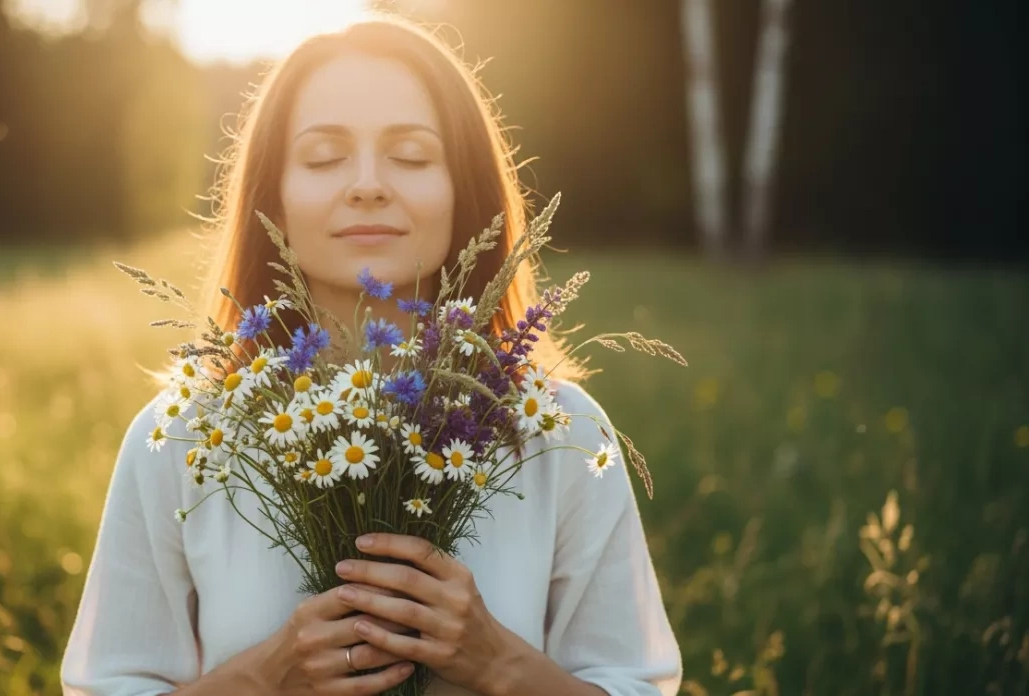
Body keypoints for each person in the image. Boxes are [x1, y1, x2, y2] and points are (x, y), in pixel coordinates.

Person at [61, 14, 681, 696]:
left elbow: (638, 683)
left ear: (462, 196)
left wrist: (499, 662)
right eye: (324, 157)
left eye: (411, 157)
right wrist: (264, 679)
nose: (367, 184)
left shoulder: (558, 431)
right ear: (276, 208)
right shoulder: (180, 437)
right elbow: (107, 684)